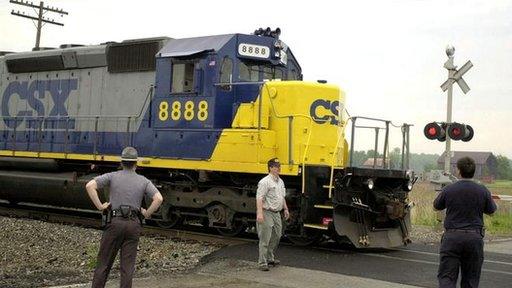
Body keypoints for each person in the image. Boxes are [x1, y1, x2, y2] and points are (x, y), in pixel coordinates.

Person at [86, 147, 163, 288]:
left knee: (103, 264)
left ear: (122, 163)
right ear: (136, 164)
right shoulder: (144, 181)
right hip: (133, 224)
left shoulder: (112, 176)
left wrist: (100, 206)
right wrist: (147, 213)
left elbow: (90, 185)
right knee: (127, 268)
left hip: (114, 223)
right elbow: (158, 198)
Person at [434, 156, 497, 288]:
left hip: (452, 238)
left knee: (447, 277)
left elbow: (436, 207)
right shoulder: (483, 190)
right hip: (474, 238)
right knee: (471, 279)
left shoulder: (449, 189)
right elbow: (492, 212)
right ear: (474, 171)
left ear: (458, 171)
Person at [256, 158, 290, 271]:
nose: (278, 168)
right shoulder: (264, 182)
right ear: (270, 168)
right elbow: (259, 198)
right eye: (276, 166)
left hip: (277, 213)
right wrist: (260, 213)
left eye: (279, 166)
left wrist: (285, 209)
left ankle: (270, 258)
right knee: (265, 238)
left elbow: (282, 197)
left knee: (277, 235)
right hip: (267, 212)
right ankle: (262, 262)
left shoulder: (280, 181)